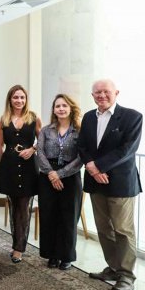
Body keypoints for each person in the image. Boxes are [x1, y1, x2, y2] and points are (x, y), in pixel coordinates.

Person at [78, 79, 142, 290]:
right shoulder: (88, 117)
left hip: (121, 183)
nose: (102, 95)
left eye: (106, 91)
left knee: (123, 230)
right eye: (97, 92)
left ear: (116, 93)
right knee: (104, 229)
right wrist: (92, 167)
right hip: (96, 181)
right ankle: (114, 268)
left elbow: (127, 149)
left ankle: (127, 276)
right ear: (92, 95)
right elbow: (82, 146)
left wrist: (98, 166)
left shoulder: (132, 117)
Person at [0, 85, 42, 263]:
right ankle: (16, 243)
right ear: (10, 99)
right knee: (14, 207)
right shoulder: (2, 120)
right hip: (9, 168)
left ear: (26, 99)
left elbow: (42, 139)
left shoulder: (34, 118)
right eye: (16, 97)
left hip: (29, 168)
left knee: (23, 207)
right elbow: (0, 147)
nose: (19, 100)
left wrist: (33, 149)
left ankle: (19, 248)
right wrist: (1, 168)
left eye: (22, 97)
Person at [36, 94, 83, 270]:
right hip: (47, 176)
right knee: (49, 216)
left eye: (64, 105)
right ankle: (52, 255)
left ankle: (66, 256)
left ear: (71, 108)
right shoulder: (46, 130)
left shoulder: (79, 131)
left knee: (68, 218)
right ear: (54, 110)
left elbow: (81, 157)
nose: (61, 109)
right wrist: (51, 173)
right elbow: (40, 152)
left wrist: (60, 174)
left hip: (71, 177)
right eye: (57, 106)